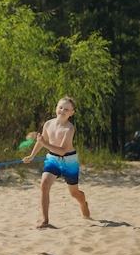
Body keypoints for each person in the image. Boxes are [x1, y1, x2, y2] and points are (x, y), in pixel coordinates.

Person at [23, 97, 90, 229]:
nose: (62, 111)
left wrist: (44, 143)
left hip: (69, 160)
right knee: (44, 185)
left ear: (72, 113)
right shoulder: (48, 124)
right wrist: (32, 155)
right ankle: (45, 220)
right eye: (60, 107)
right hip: (52, 159)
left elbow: (62, 151)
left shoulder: (69, 129)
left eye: (66, 109)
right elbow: (41, 141)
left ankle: (83, 204)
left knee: (74, 193)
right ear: (56, 109)